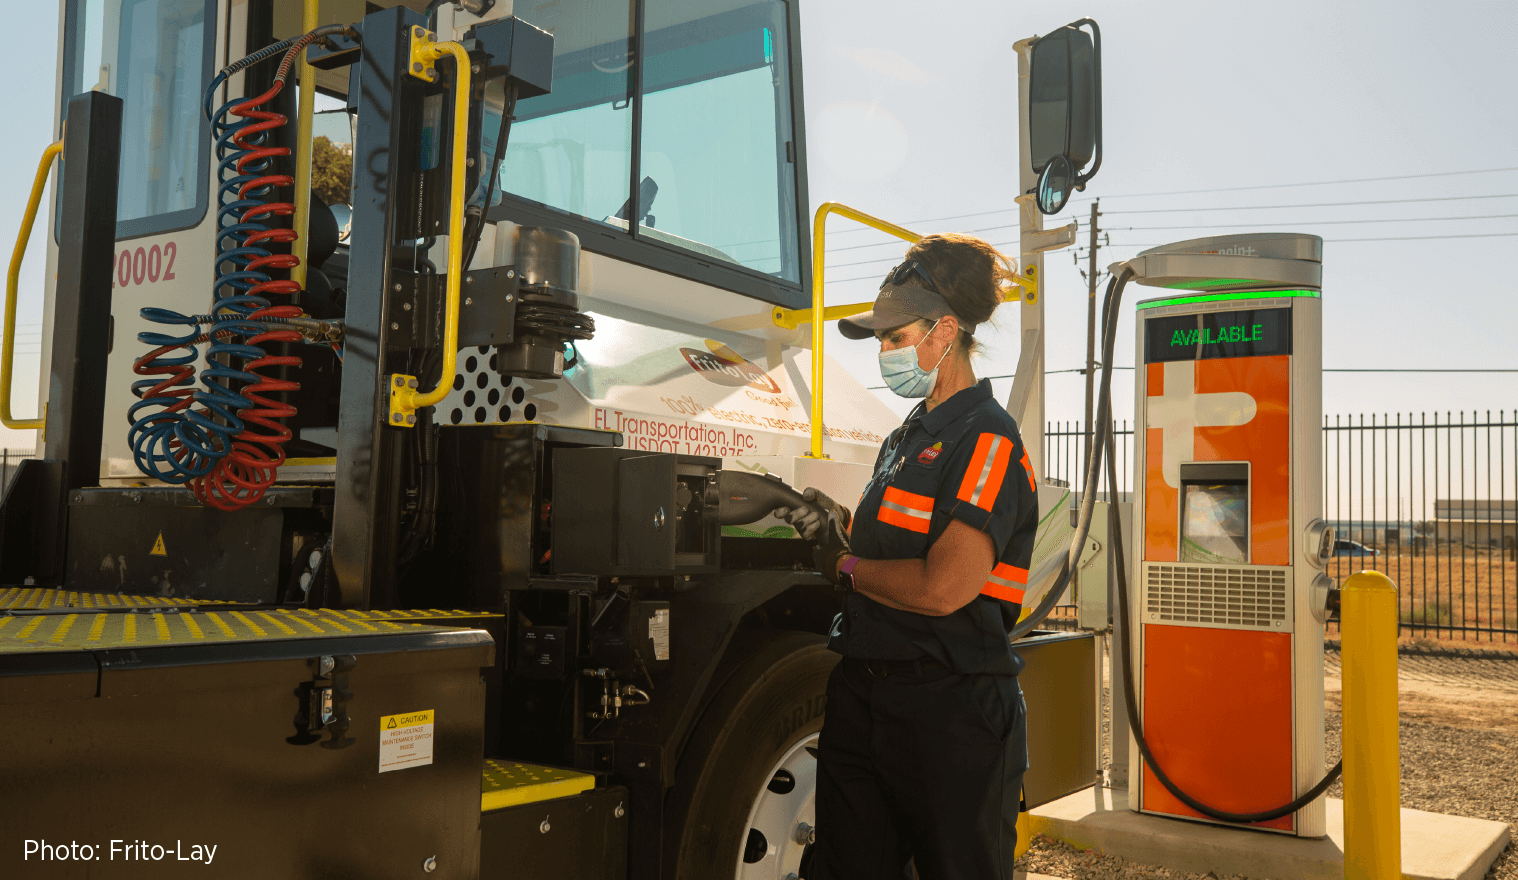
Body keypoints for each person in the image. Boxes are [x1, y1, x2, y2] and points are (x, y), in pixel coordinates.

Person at [774, 233, 1038, 880]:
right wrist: (835, 525)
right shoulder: (904, 438)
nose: (885, 353)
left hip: (952, 713)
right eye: (882, 341)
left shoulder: (987, 442)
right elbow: (892, 538)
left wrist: (844, 565)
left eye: (896, 338)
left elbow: (944, 587)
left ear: (945, 331)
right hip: (865, 694)